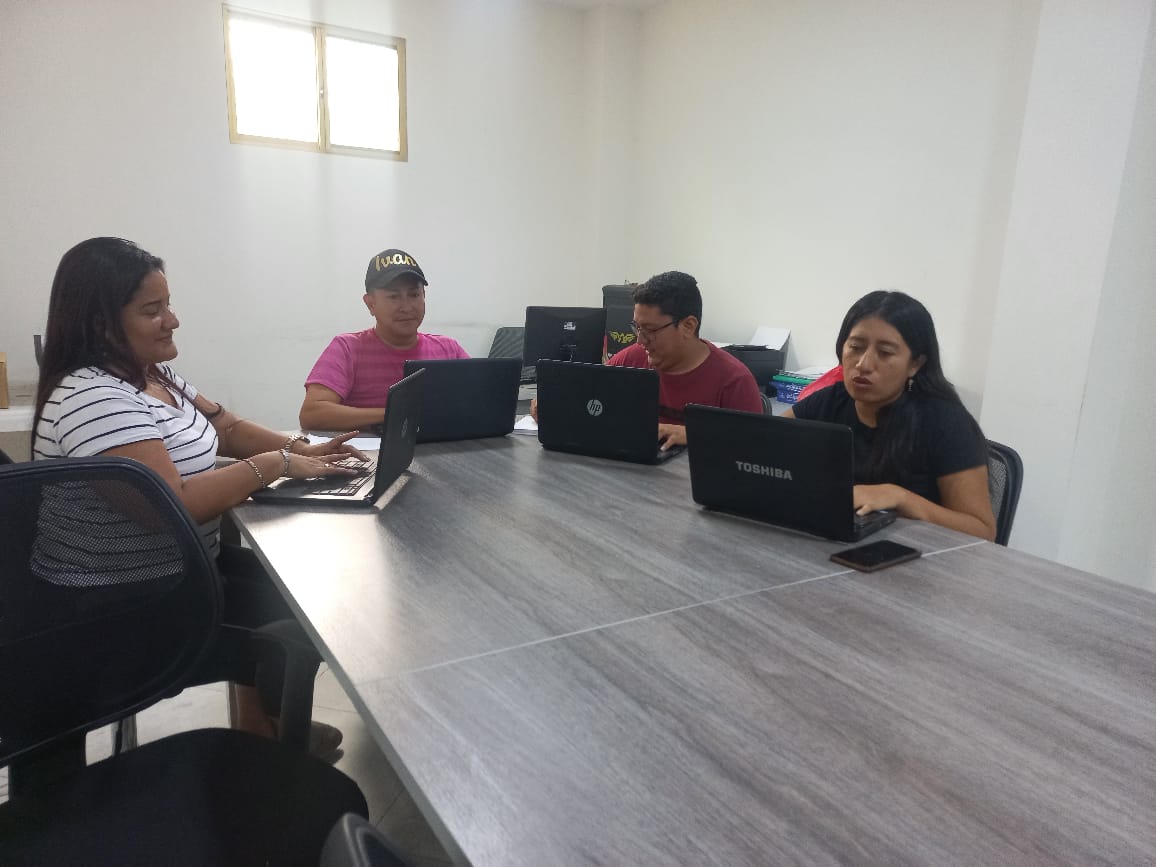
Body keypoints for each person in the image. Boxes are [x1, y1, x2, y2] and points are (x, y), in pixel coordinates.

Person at [32, 236, 364, 749]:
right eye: (152, 310)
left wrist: (303, 449)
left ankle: (262, 723)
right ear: (101, 324)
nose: (172, 320)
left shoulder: (153, 375)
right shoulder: (92, 396)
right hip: (123, 608)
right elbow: (173, 505)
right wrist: (274, 464)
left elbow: (225, 427)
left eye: (168, 304)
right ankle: (274, 741)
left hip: (182, 574)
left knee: (308, 592)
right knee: (303, 624)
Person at [785, 290, 996, 540]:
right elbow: (762, 444)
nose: (863, 364)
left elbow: (982, 531)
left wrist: (901, 498)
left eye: (885, 353)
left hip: (918, 555)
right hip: (837, 544)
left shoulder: (945, 422)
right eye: (855, 347)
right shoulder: (831, 400)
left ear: (915, 364)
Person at [299, 248, 469, 431]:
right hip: (371, 448)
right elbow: (312, 414)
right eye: (393, 297)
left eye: (414, 295)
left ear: (424, 297)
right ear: (370, 304)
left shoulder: (448, 349)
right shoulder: (347, 348)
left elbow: (481, 399)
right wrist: (398, 413)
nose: (406, 307)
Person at [605, 271, 764, 449]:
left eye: (650, 330)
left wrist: (695, 434)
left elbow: (755, 446)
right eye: (637, 327)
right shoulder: (631, 359)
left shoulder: (734, 381)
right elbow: (590, 400)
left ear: (688, 326)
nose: (640, 340)